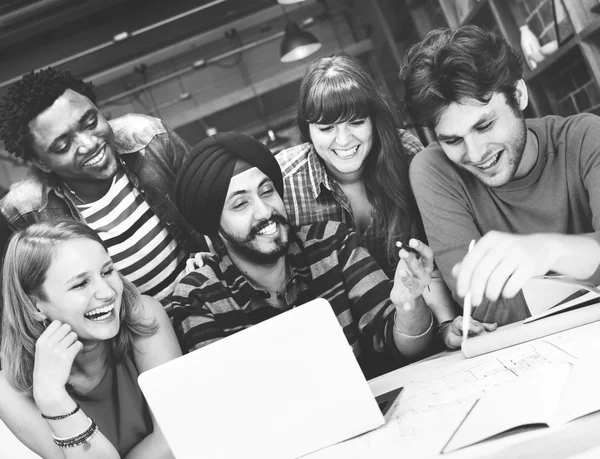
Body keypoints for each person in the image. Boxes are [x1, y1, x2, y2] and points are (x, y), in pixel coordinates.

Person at [171, 132, 481, 379]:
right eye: (240, 204)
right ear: (215, 228)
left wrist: (409, 303)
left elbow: (403, 345)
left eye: (267, 192)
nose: (265, 211)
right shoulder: (199, 296)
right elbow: (227, 404)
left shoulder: (332, 243)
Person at [401, 25, 600, 326]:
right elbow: (483, 306)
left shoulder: (585, 137)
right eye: (453, 140)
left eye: (484, 126)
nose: (476, 154)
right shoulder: (433, 170)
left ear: (518, 95)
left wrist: (548, 251)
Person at [276, 54, 468, 337]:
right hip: (340, 343)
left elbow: (432, 252)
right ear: (308, 131)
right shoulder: (285, 183)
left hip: (424, 329)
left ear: (373, 119)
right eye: (326, 128)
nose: (343, 141)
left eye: (355, 122)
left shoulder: (407, 154)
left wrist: (446, 325)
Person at [0, 67, 207, 309]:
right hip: (128, 333)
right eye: (64, 145)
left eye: (90, 122)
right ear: (40, 162)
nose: (89, 144)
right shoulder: (26, 211)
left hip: (204, 298)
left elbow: (217, 208)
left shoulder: (149, 139)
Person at [0, 220, 180, 458]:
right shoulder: (8, 389)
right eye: (80, 283)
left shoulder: (144, 316)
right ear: (35, 306)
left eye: (107, 271)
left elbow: (174, 434)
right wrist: (52, 398)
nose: (108, 292)